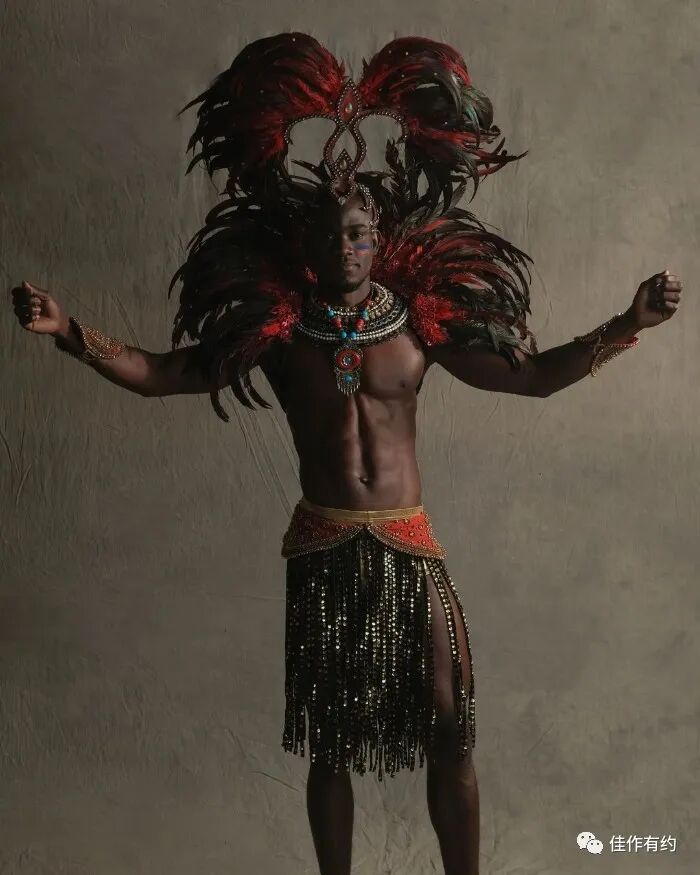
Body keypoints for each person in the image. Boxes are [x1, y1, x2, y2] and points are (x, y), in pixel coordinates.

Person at [10, 33, 682, 875]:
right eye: (332, 235)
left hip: (408, 543)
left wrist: (628, 323)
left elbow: (535, 379)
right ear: (309, 244)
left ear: (379, 235)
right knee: (330, 741)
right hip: (325, 547)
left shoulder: (420, 327)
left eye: (359, 232)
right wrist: (70, 332)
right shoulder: (280, 333)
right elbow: (163, 374)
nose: (347, 247)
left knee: (451, 725)